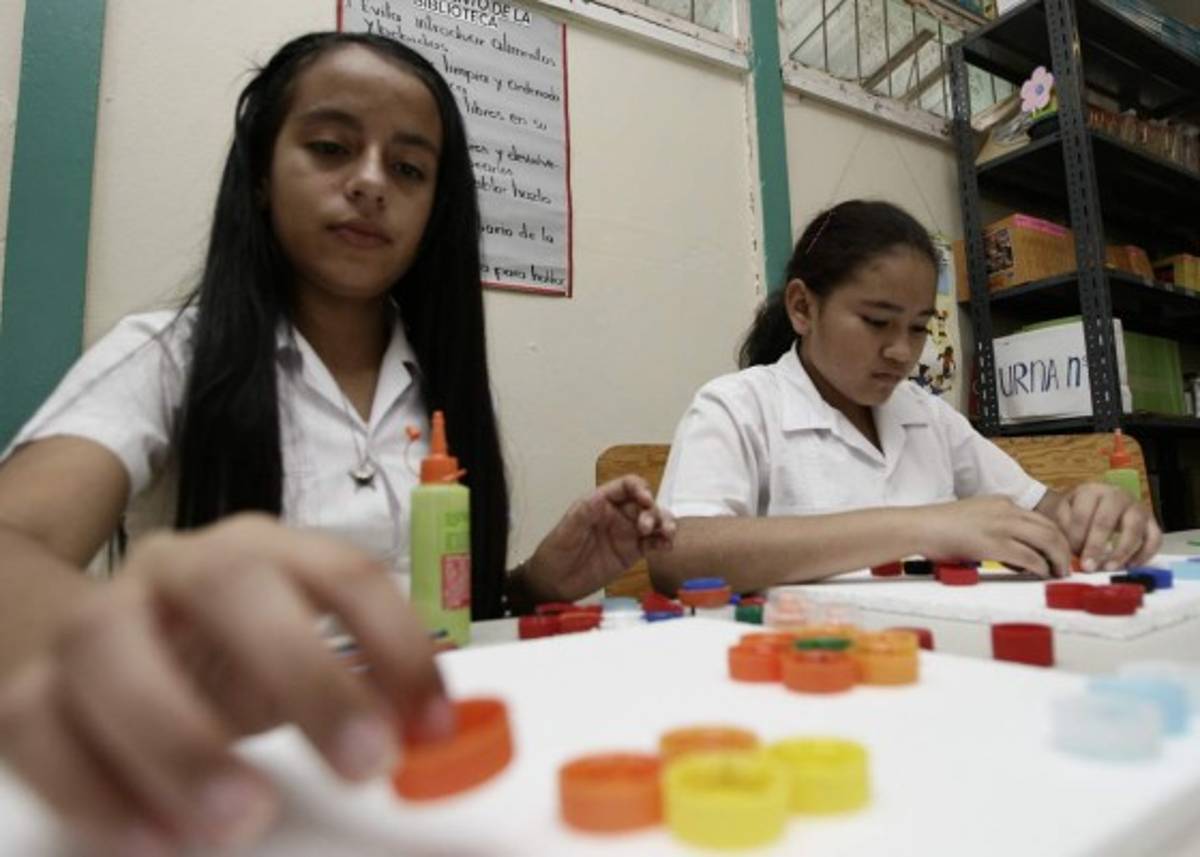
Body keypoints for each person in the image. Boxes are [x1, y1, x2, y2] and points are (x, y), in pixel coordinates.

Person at [0, 32, 672, 855]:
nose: (369, 182)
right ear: (257, 173)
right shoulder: (168, 355)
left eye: (409, 169)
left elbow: (424, 625)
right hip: (237, 799)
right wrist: (89, 630)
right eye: (329, 147)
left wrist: (532, 584)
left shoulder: (441, 384)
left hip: (436, 790)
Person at [649, 200, 1159, 595]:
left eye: (918, 328)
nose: (901, 352)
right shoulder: (739, 406)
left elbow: (1043, 509)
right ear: (803, 307)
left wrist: (1093, 512)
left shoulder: (925, 414)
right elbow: (679, 556)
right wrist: (924, 526)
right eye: (876, 321)